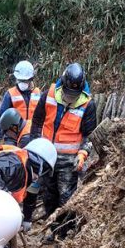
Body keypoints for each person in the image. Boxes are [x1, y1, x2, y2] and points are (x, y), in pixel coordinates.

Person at [30, 62, 97, 234]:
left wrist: (83, 153)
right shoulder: (49, 95)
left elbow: (89, 135)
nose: (70, 97)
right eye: (68, 93)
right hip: (46, 157)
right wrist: (35, 145)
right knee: (48, 195)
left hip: (68, 160)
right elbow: (37, 122)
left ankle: (64, 233)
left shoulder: (87, 105)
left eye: (74, 95)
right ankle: (52, 230)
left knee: (66, 197)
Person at [0, 59, 41, 144]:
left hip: (31, 135)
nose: (22, 83)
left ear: (31, 79)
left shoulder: (38, 94)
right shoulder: (10, 94)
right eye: (20, 80)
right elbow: (1, 116)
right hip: (12, 136)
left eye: (24, 80)